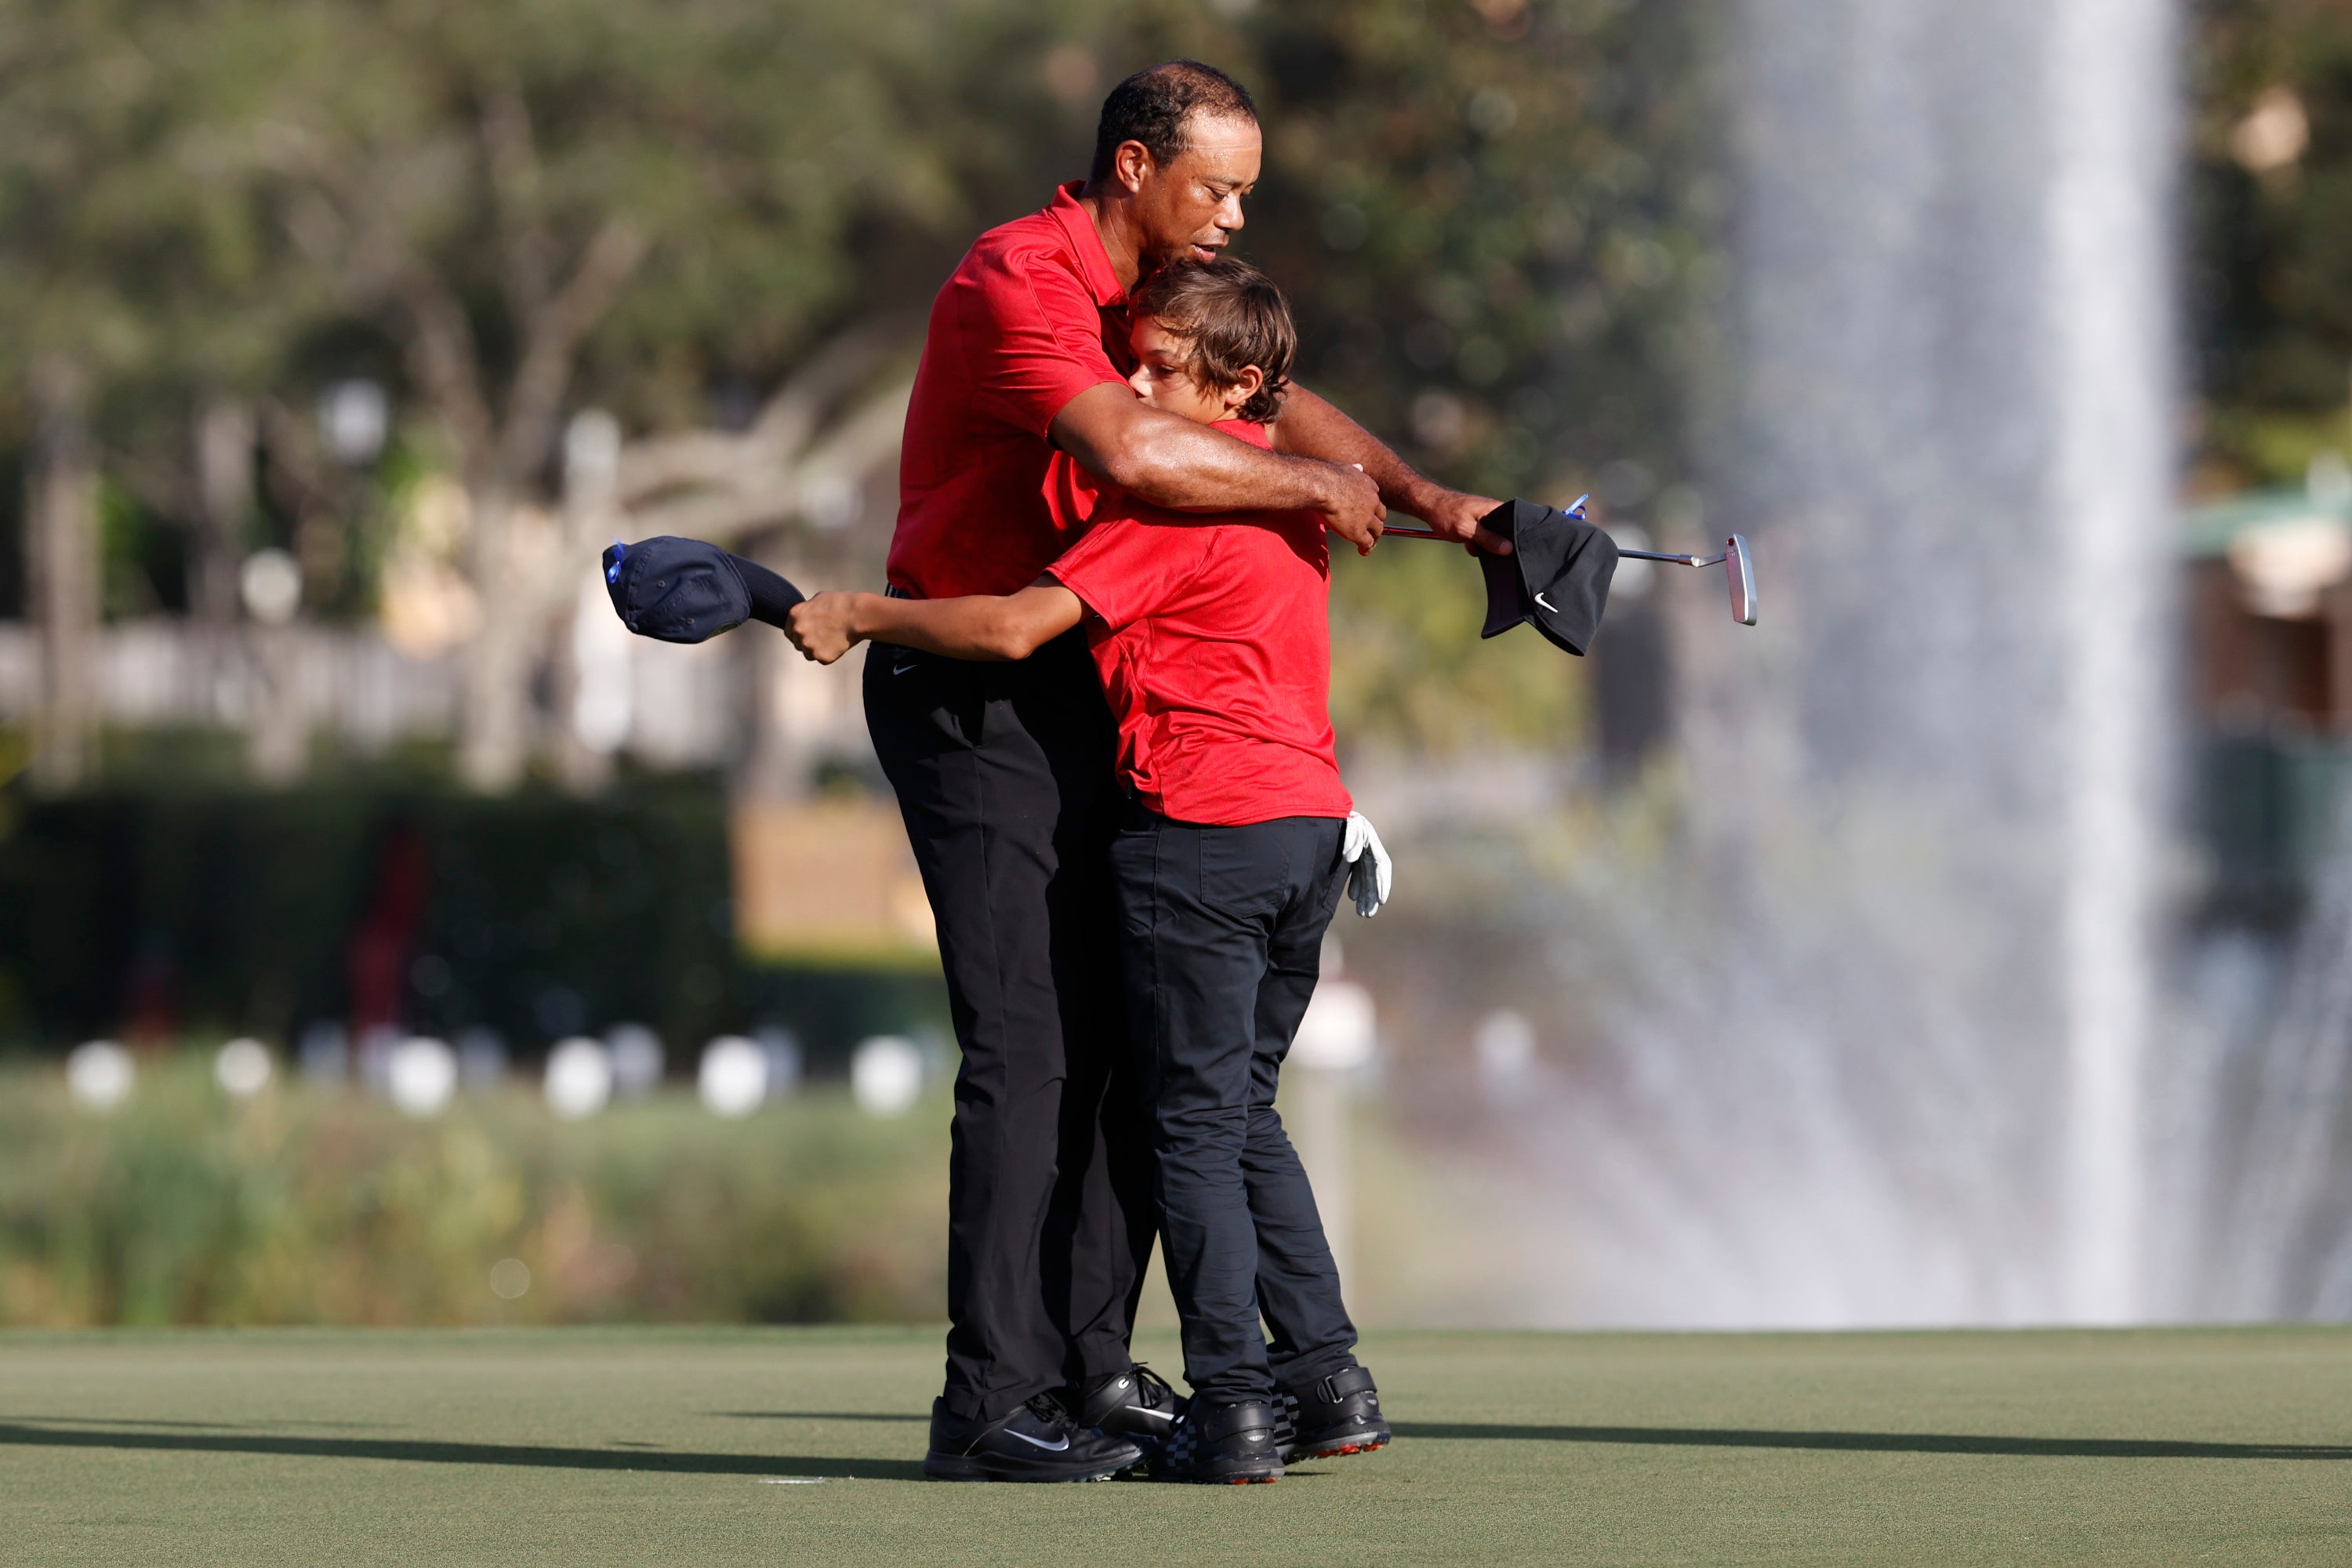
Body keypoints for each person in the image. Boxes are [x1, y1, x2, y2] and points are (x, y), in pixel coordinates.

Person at [857, 58, 1494, 1483]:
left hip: (1083, 677)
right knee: (1027, 1050)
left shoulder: (1151, 306)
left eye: (1246, 192)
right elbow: (1145, 449)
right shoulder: (1020, 276)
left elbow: (1263, 406)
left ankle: (1086, 1370)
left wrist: (1439, 504)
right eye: (1214, 186)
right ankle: (990, 1399)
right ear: (1135, 169)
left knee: (1133, 1044)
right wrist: (1315, 493)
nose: (1230, 214)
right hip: (973, 685)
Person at [794, 257, 1390, 1486]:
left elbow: (1011, 626)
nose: (1130, 382)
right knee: (1241, 1112)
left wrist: (860, 610)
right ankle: (1329, 1380)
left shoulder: (1173, 511)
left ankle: (1232, 1405)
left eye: (1160, 366)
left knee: (1186, 1133)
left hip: (1203, 842)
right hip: (1309, 837)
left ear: (1235, 390)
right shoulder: (1295, 509)